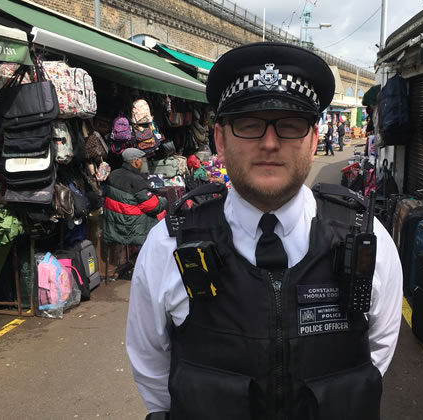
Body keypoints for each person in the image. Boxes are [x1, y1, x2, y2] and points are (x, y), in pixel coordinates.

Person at [126, 42, 403, 420]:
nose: (270, 143)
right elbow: (154, 372)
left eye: (290, 125)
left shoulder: (370, 243)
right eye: (250, 124)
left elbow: (375, 357)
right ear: (220, 139)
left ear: (313, 137)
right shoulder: (167, 247)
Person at [102, 147, 167, 247]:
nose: (144, 163)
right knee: (160, 216)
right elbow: (153, 207)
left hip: (115, 226)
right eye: (142, 160)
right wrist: (164, 200)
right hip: (132, 229)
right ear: (136, 162)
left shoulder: (113, 174)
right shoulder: (137, 180)